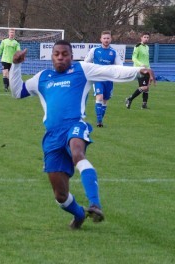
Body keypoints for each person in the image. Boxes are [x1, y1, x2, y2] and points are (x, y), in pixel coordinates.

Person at [9, 40, 155, 229]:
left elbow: (110, 71)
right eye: (57, 54)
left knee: (77, 153)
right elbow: (17, 91)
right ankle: (79, 215)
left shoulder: (81, 70)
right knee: (60, 196)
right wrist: (16, 65)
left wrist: (138, 70)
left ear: (71, 56)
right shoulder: (42, 77)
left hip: (75, 125)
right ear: (51, 56)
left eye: (65, 54)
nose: (61, 57)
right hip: (52, 135)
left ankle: (95, 204)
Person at [84, 30, 122, 127]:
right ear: (100, 39)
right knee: (99, 97)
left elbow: (120, 66)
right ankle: (99, 120)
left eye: (108, 38)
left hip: (108, 80)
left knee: (105, 100)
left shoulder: (114, 53)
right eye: (104, 38)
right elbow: (86, 62)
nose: (106, 40)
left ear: (111, 39)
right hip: (98, 79)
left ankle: (101, 119)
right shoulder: (94, 50)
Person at [125, 32, 151, 109]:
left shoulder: (147, 47)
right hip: (140, 70)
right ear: (141, 38)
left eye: (147, 37)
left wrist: (149, 69)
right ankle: (129, 99)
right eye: (145, 37)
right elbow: (134, 58)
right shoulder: (137, 46)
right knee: (144, 87)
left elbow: (146, 60)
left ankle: (144, 104)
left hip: (147, 70)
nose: (146, 39)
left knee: (147, 88)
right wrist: (140, 64)